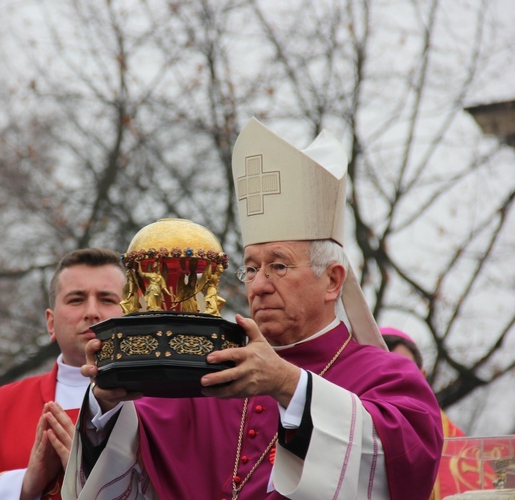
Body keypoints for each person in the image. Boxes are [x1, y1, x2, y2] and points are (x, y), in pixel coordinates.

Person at [62, 118, 443, 499]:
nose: (258, 286)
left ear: (332, 281)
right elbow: (127, 473)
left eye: (279, 265)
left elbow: (403, 460)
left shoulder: (387, 375)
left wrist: (288, 385)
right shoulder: (206, 375)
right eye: (250, 268)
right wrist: (106, 402)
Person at [0, 248, 126, 499]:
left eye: (107, 299)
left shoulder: (164, 405)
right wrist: (24, 485)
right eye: (76, 299)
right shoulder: (3, 408)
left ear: (131, 316)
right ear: (51, 323)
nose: (92, 311)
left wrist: (95, 475)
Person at [381, 326, 493, 498]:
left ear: (422, 376)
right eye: (381, 370)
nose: (392, 380)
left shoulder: (461, 452)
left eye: (402, 370)